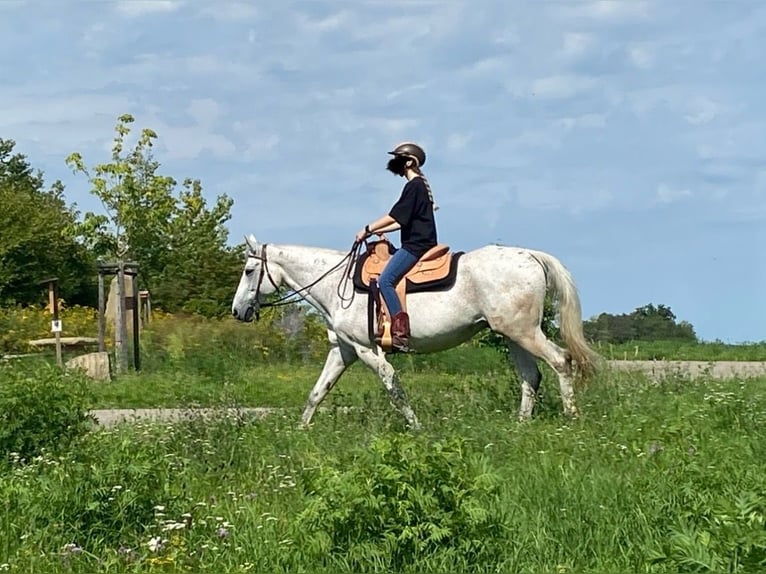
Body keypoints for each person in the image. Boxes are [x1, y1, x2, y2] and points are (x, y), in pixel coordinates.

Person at [355, 141, 439, 352]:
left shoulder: (414, 186)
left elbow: (393, 216)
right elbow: (399, 222)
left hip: (416, 245)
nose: (394, 162)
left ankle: (400, 333)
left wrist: (367, 228)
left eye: (398, 158)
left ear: (409, 162)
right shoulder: (418, 186)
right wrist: (375, 232)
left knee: (385, 280)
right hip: (419, 242)